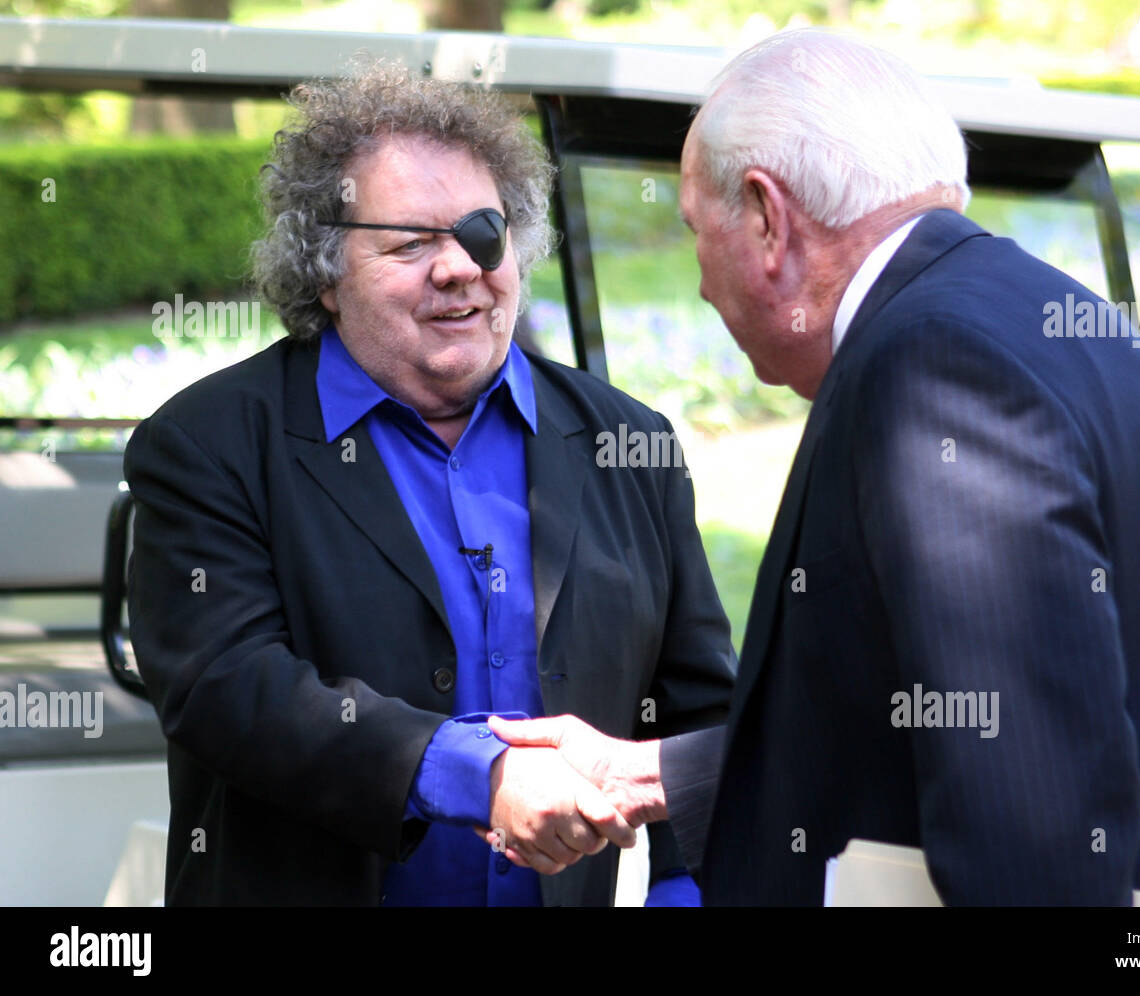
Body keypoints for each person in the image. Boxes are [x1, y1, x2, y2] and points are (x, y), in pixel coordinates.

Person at [490, 28, 1140, 906]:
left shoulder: (934, 370)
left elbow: (1030, 826)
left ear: (767, 217)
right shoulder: (1054, 318)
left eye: (695, 232)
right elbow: (932, 714)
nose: (698, 285)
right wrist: (649, 773)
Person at [124, 62, 735, 906]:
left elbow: (700, 708)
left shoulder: (627, 443)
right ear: (326, 272)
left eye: (484, 234)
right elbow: (226, 690)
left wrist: (685, 895)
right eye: (410, 243)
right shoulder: (207, 445)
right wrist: (473, 775)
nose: (459, 268)